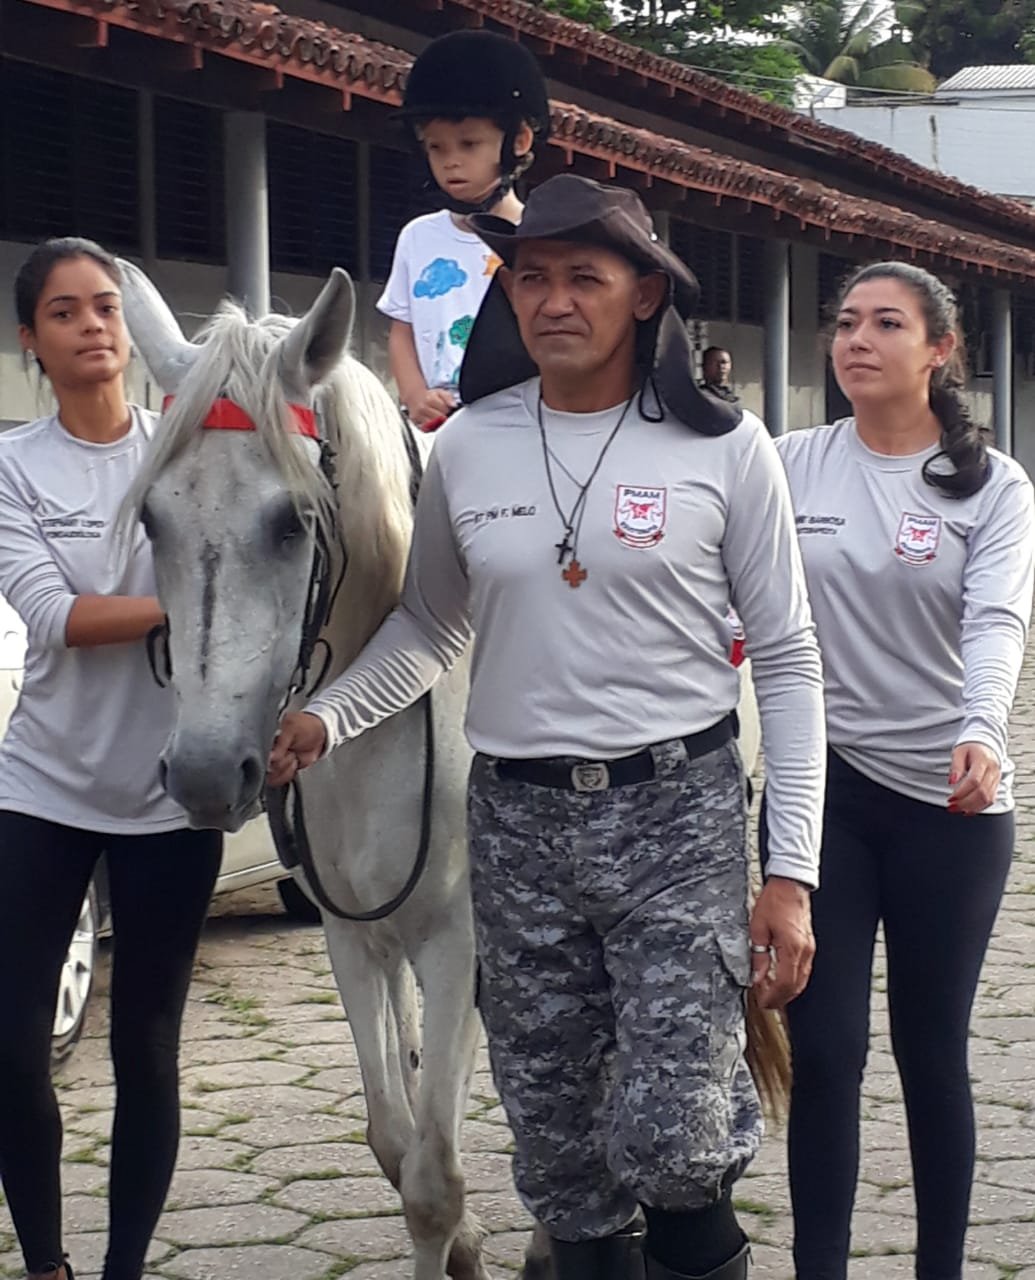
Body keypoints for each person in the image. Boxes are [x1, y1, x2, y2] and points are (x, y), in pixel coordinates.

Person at [269, 175, 826, 1279]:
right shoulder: (472, 444)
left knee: (676, 1137)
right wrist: (330, 714)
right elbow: (430, 622)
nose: (553, 300)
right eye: (530, 278)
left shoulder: (725, 447)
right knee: (560, 1150)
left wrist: (790, 871)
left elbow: (789, 654)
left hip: (677, 815)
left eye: (584, 277)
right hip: (519, 825)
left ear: (644, 295)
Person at [767, 261, 1035, 1280]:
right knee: (824, 1050)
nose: (856, 340)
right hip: (822, 795)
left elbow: (996, 619)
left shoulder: (994, 486)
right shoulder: (787, 464)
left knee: (932, 1052)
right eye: (845, 322)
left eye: (885, 323)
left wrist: (984, 729)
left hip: (950, 805)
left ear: (939, 350)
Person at [0, 238, 223, 1280]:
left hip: (170, 796)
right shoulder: (14, 466)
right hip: (42, 786)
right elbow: (56, 616)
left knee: (147, 1046)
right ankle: (46, 1263)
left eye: (105, 307)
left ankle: (124, 1268)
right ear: (31, 340)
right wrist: (194, 600)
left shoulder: (186, 451)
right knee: (10, 1047)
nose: (92, 325)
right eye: (64, 312)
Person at [379, 29, 550, 428]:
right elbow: (401, 330)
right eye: (436, 147)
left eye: (469, 144)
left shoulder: (541, 236)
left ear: (519, 141)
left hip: (522, 421)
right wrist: (415, 396)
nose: (451, 161)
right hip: (436, 421)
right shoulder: (417, 236)